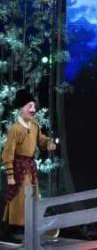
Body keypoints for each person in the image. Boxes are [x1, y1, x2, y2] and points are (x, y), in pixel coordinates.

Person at [1, 89, 56, 245]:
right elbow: (7, 153)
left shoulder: (35, 125)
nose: (33, 109)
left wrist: (48, 143)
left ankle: (26, 228)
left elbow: (41, 139)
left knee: (33, 196)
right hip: (19, 168)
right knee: (19, 199)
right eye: (29, 106)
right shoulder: (15, 129)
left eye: (34, 106)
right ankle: (10, 230)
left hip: (30, 168)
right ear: (21, 108)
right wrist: (10, 175)